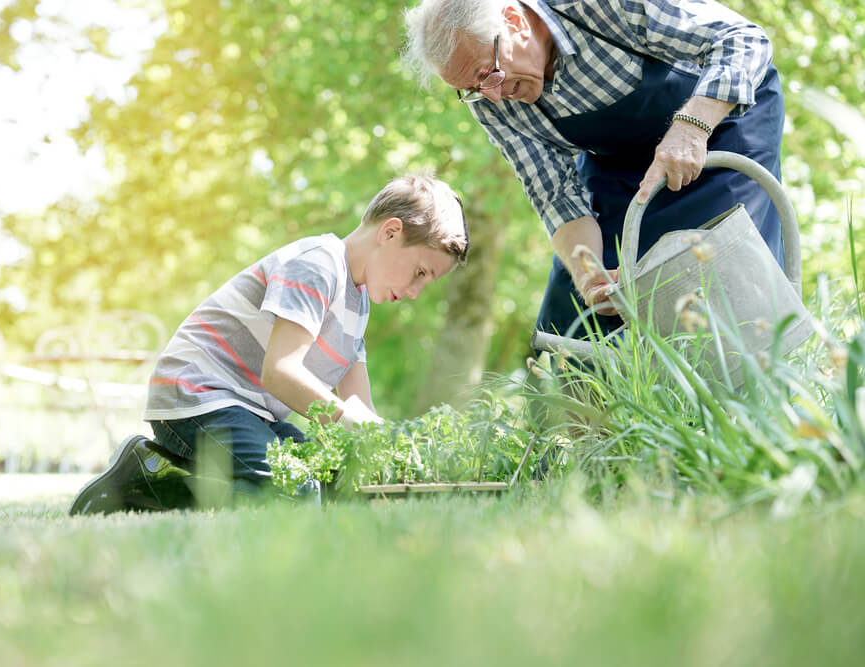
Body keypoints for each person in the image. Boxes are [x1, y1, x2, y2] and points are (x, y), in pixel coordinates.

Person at [70, 172, 469, 514]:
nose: (416, 291)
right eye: (420, 272)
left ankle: (169, 472)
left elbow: (361, 408)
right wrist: (348, 421)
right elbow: (280, 373)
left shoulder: (359, 303)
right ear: (391, 231)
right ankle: (145, 476)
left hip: (248, 414)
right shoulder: (318, 264)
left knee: (335, 483)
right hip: (198, 397)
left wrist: (391, 458)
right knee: (293, 491)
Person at [403, 0, 785, 338]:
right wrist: (590, 277)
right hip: (620, 166)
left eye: (489, 74)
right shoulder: (486, 96)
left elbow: (744, 41)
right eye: (471, 88)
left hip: (720, 131)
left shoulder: (598, 6)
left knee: (699, 285)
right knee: (573, 324)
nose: (492, 96)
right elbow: (554, 192)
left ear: (514, 23)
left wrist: (692, 127)